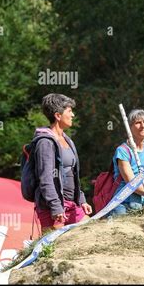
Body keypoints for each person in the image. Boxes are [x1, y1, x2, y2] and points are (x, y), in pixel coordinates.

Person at [33, 94, 92, 232]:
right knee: (52, 250)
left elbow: (73, 173)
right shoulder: (45, 142)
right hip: (52, 207)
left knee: (89, 231)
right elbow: (45, 178)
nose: (73, 115)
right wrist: (55, 206)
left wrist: (81, 199)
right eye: (69, 111)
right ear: (58, 115)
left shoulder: (68, 140)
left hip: (73, 204)